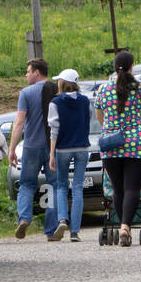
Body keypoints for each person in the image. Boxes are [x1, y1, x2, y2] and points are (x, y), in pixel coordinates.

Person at [94, 50, 141, 247]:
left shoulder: (103, 90)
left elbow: (99, 118)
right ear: (132, 66)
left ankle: (121, 225)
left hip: (111, 144)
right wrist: (134, 130)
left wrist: (112, 128)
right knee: (133, 188)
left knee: (118, 189)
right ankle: (126, 227)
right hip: (136, 144)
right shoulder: (140, 90)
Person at [10, 58, 58, 240]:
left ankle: (24, 218)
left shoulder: (26, 93)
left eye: (28, 71)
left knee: (27, 185)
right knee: (53, 186)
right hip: (52, 146)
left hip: (31, 146)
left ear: (37, 72)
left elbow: (19, 122)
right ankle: (51, 229)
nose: (26, 75)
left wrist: (12, 148)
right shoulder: (55, 90)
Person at [48, 69, 92, 242]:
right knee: (78, 187)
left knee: (61, 185)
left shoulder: (55, 102)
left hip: (63, 149)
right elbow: (87, 118)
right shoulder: (85, 101)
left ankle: (61, 219)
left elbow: (54, 130)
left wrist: (51, 154)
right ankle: (75, 231)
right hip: (82, 147)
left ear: (61, 83)